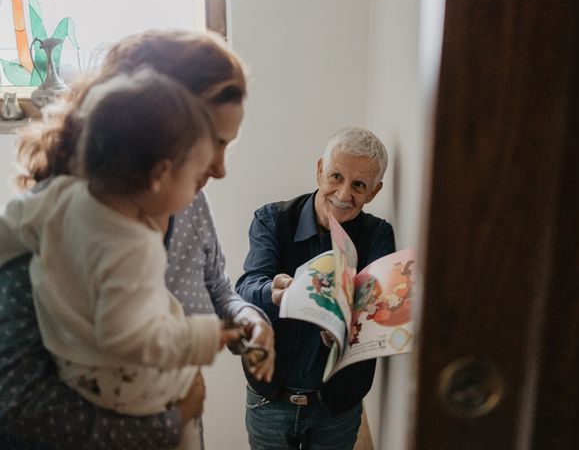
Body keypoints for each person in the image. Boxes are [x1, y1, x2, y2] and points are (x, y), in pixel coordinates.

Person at [0, 29, 274, 450]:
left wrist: (245, 319)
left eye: (228, 146)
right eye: (211, 146)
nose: (219, 170)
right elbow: (18, 405)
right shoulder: (60, 220)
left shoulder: (184, 197)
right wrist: (173, 418)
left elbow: (216, 284)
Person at [236, 127, 396, 449]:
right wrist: (275, 292)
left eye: (359, 185)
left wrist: (345, 331)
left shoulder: (378, 234)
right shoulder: (271, 218)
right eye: (336, 176)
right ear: (320, 169)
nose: (344, 193)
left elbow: (379, 315)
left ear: (375, 192)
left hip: (336, 407)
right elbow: (247, 288)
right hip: (269, 399)